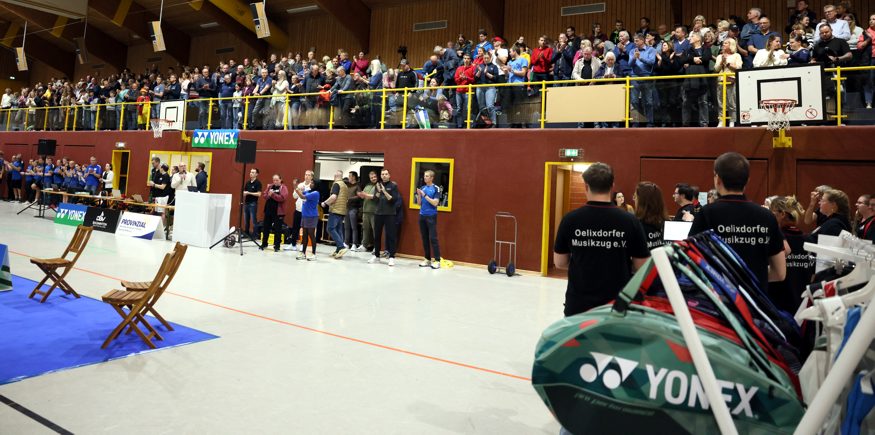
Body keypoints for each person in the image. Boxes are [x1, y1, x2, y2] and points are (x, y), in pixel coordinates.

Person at [553, 162, 650, 316]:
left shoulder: (570, 220)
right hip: (616, 305)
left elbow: (559, 262)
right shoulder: (630, 221)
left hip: (579, 306)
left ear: (586, 186)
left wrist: (585, 263)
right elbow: (641, 266)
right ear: (612, 186)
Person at [690, 152, 787, 289]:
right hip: (755, 301)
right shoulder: (767, 216)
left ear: (717, 179)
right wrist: (752, 278)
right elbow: (780, 273)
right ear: (747, 181)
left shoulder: (706, 213)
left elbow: (693, 262)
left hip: (720, 301)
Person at [768, 196, 815, 314]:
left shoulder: (775, 239)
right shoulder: (810, 239)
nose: (769, 216)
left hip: (779, 305)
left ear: (782, 214)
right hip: (803, 306)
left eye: (771, 212)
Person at [366, 169, 399, 266]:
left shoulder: (393, 186)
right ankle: (376, 256)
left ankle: (392, 257)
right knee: (377, 235)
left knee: (391, 236)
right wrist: (378, 192)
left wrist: (384, 191)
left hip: (390, 214)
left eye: (386, 174)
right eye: (382, 174)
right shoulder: (378, 185)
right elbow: (375, 199)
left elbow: (393, 200)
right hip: (378, 213)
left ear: (389, 175)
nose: (384, 176)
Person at [415, 169, 442, 269]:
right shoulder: (422, 188)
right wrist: (418, 195)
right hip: (422, 215)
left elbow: (435, 203)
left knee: (433, 238)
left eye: (427, 176)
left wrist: (424, 195)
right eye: (424, 176)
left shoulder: (436, 188)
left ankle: (437, 260)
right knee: (424, 237)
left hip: (431, 216)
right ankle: (427, 259)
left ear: (431, 178)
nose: (425, 177)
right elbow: (418, 203)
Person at [321, 170, 350, 258]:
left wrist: (325, 203)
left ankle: (341, 246)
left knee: (330, 228)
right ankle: (338, 250)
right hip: (342, 210)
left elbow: (333, 197)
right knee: (338, 230)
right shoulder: (345, 185)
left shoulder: (336, 184)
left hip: (335, 210)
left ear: (335, 176)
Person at [634, 181, 666, 250]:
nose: (634, 200)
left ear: (642, 202)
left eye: (635, 197)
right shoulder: (665, 223)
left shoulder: (636, 226)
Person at [260, 174, 288, 252]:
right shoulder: (270, 186)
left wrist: (272, 195)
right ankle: (264, 243)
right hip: (268, 210)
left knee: (277, 229)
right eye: (274, 180)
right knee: (266, 228)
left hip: (278, 212)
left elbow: (282, 198)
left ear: (280, 180)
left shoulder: (283, 188)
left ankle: (277, 246)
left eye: (277, 180)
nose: (275, 182)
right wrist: (269, 195)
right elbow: (264, 196)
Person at [294, 179, 320, 261]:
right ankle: (303, 253)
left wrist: (297, 188)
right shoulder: (309, 191)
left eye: (312, 182)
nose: (310, 183)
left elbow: (302, 196)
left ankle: (314, 253)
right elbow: (301, 194)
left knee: (311, 234)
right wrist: (297, 187)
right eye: (311, 182)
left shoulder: (315, 193)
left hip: (311, 216)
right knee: (304, 234)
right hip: (305, 216)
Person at [358, 171, 379, 253]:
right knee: (365, 229)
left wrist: (366, 195)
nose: (373, 178)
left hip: (374, 211)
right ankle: (364, 245)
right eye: (371, 177)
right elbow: (364, 195)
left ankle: (376, 247)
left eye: (374, 177)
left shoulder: (379, 185)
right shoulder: (367, 186)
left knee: (375, 230)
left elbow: (375, 197)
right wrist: (361, 195)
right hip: (365, 210)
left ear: (377, 177)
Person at [344, 171, 362, 251]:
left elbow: (359, 196)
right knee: (346, 227)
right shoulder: (347, 185)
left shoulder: (357, 186)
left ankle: (354, 244)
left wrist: (349, 199)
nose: (348, 177)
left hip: (354, 208)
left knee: (354, 227)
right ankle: (346, 243)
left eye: (350, 176)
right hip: (347, 208)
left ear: (354, 177)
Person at [242, 168, 262, 238]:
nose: (251, 173)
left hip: (253, 203)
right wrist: (244, 193)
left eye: (253, 172)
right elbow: (244, 192)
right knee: (246, 220)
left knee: (253, 220)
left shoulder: (258, 183)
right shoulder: (247, 183)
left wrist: (249, 193)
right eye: (250, 172)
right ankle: (246, 233)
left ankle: (255, 235)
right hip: (246, 203)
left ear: (256, 174)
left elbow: (259, 194)